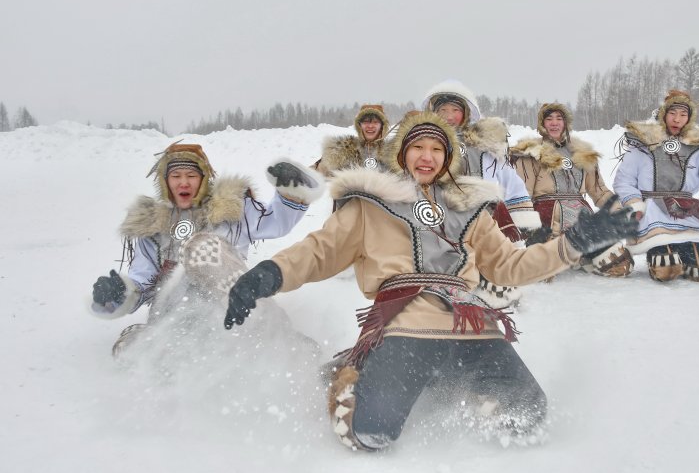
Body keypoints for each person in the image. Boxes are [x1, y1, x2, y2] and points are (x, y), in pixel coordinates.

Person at [222, 111, 637, 451]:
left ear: (448, 157)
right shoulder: (369, 205)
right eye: (418, 147)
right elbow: (319, 252)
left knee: (526, 416)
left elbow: (510, 266)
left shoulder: (469, 209)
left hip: (472, 327)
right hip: (407, 326)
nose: (427, 156)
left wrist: (574, 243)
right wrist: (269, 273)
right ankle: (349, 373)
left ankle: (445, 384)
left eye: (437, 148)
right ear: (402, 153)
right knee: (371, 432)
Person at [89, 141, 325, 354]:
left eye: (191, 175)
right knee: (131, 349)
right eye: (176, 176)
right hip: (174, 320)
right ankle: (169, 358)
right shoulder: (154, 227)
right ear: (165, 181)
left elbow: (275, 222)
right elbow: (141, 283)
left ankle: (278, 338)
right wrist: (118, 292)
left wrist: (292, 191)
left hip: (231, 311)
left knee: (201, 247)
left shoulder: (230, 212)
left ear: (203, 179)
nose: (183, 182)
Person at [422, 80, 542, 307]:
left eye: (455, 110)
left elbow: (508, 178)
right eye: (443, 110)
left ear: (466, 113)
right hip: (441, 211)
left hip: (483, 211)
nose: (449, 116)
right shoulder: (424, 144)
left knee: (492, 250)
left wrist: (521, 212)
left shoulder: (484, 146)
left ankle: (494, 277)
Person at [614, 90, 699, 282]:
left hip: (685, 209)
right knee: (665, 266)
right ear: (664, 114)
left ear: (689, 118)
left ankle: (691, 251)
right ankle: (659, 253)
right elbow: (624, 180)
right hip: (652, 209)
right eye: (673, 113)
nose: (677, 119)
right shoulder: (643, 142)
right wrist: (634, 204)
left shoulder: (697, 146)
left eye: (683, 114)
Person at [510, 103, 634, 277]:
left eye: (559, 119)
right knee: (541, 270)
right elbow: (523, 193)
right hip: (546, 219)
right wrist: (527, 225)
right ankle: (553, 250)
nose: (554, 123)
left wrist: (619, 211)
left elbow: (599, 190)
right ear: (542, 124)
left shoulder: (583, 154)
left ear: (566, 123)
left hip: (582, 218)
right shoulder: (530, 154)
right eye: (549, 119)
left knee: (620, 264)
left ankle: (580, 254)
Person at [314, 104, 390, 176]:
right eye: (366, 122)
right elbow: (312, 176)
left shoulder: (392, 153)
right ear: (359, 125)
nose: (370, 126)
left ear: (382, 126)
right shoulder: (340, 151)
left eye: (375, 122)